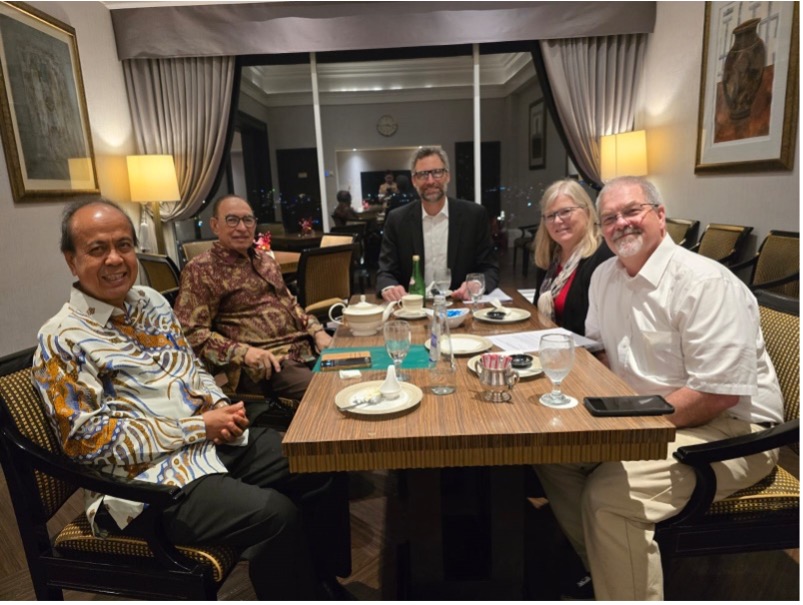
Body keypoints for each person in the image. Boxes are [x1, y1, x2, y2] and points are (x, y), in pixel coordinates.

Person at [32, 199, 350, 600]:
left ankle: (322, 583)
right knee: (275, 514)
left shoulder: (151, 302)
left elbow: (192, 369)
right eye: (98, 249)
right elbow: (85, 441)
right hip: (143, 486)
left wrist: (217, 403)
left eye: (124, 245)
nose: (115, 259)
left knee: (320, 458)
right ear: (71, 260)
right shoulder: (62, 338)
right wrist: (199, 425)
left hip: (208, 446)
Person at [535, 176, 783, 600]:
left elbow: (716, 394)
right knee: (552, 453)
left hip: (734, 432)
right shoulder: (606, 277)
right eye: (610, 217)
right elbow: (606, 357)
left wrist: (631, 425)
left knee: (608, 497)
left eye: (632, 212)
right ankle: (607, 572)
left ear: (660, 215)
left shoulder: (705, 283)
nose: (621, 224)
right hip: (653, 415)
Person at [174, 194, 332, 402]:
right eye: (232, 220)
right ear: (214, 226)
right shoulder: (201, 270)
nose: (242, 227)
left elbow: (291, 305)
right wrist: (244, 353)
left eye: (248, 220)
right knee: (328, 393)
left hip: (305, 348)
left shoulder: (266, 261)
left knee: (359, 372)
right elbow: (190, 333)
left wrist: (318, 331)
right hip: (265, 365)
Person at [376, 147, 499, 302]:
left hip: (460, 307)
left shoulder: (474, 216)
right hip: (412, 310)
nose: (430, 181)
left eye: (437, 172)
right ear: (414, 181)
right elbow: (385, 272)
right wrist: (390, 288)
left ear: (447, 176)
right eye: (422, 174)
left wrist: (475, 284)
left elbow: (490, 268)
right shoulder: (397, 219)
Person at [532, 179, 613, 335]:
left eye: (565, 212)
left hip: (584, 353)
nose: (557, 220)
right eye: (550, 215)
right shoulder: (550, 258)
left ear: (587, 211)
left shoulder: (603, 256)